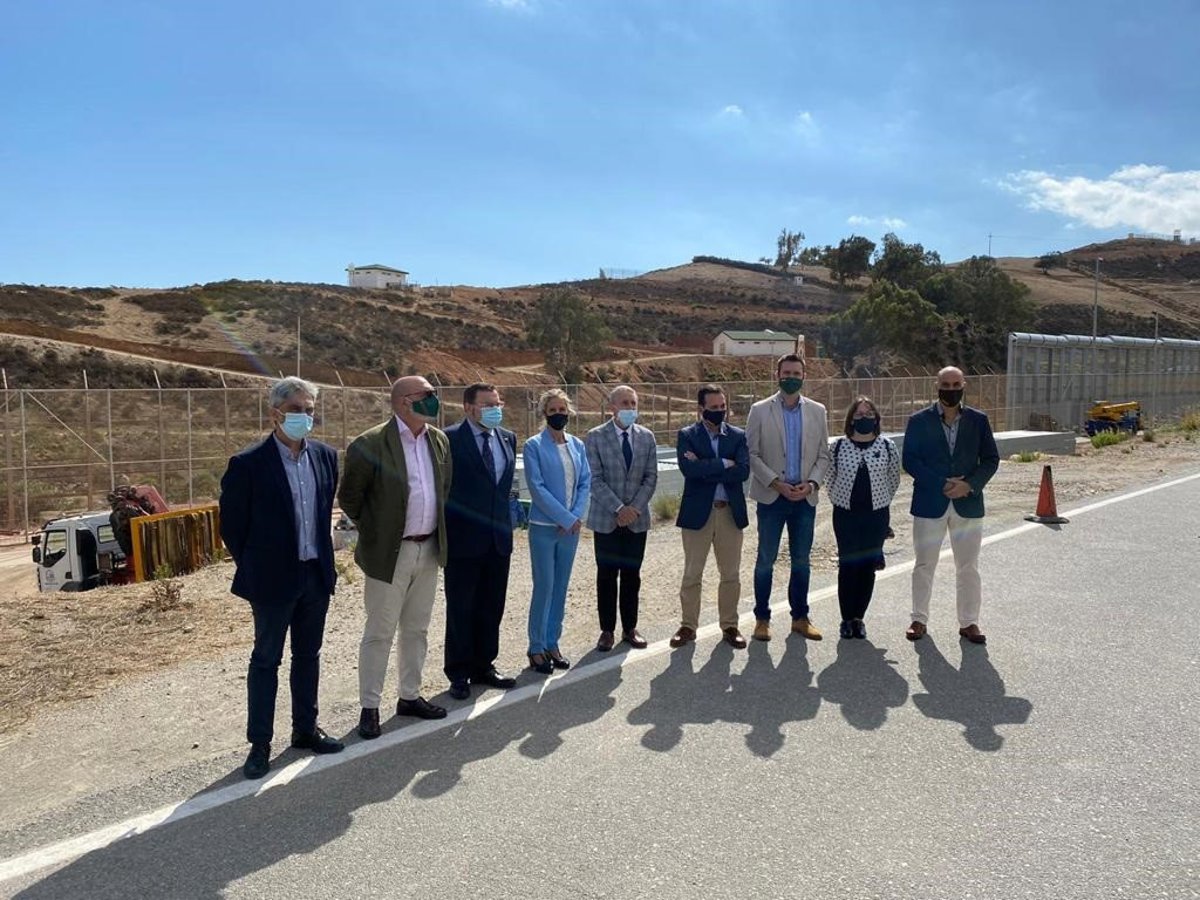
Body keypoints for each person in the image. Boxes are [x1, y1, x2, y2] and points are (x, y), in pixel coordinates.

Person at [219, 376, 343, 780]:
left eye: (309, 410)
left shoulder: (325, 457)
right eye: (295, 410)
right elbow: (233, 527)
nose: (304, 417)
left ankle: (305, 729)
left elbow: (323, 513)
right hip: (272, 580)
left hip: (314, 575)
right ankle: (260, 744)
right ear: (275, 414)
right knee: (266, 660)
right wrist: (259, 565)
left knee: (308, 656)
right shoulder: (248, 464)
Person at [338, 376, 452, 740]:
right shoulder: (370, 444)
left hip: (428, 548)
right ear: (404, 401)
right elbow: (350, 499)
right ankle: (370, 707)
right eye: (427, 395)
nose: (434, 400)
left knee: (417, 629)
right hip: (390, 553)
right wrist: (379, 531)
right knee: (380, 632)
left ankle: (410, 696)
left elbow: (444, 488)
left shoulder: (438, 440)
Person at [902, 366, 1000, 644]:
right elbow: (910, 460)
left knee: (968, 566)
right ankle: (919, 619)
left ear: (964, 386)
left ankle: (969, 622)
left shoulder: (978, 421)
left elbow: (991, 459)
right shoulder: (919, 421)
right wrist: (941, 483)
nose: (951, 389)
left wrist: (969, 485)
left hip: (968, 503)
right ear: (937, 386)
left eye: (956, 384)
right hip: (930, 502)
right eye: (945, 384)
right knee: (924, 564)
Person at [745, 353, 831, 642]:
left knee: (801, 560)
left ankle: (800, 618)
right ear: (778, 375)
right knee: (765, 560)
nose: (791, 377)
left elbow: (823, 455)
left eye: (796, 373)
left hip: (804, 498)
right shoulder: (759, 410)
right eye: (786, 373)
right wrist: (775, 483)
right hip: (772, 497)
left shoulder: (817, 411)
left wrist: (812, 484)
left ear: (803, 376)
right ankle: (762, 619)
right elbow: (752, 454)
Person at [442, 383, 519, 700]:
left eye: (497, 404)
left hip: (498, 539)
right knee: (461, 608)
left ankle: (484, 665)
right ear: (468, 407)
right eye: (487, 405)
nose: (494, 410)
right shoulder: (448, 439)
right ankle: (459, 672)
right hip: (463, 540)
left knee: (491, 606)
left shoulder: (507, 438)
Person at [671, 384, 751, 650]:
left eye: (722, 406)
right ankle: (688, 626)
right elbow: (689, 470)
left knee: (730, 574)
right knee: (692, 573)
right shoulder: (688, 435)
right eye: (714, 407)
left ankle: (729, 626)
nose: (720, 411)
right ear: (701, 409)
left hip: (729, 513)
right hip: (698, 514)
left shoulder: (737, 436)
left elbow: (743, 472)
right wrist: (723, 463)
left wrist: (705, 466)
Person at [523, 389, 592, 674]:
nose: (558, 414)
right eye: (553, 410)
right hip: (544, 528)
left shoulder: (577, 445)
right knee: (545, 586)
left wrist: (574, 516)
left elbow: (585, 482)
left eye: (562, 410)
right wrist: (563, 517)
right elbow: (536, 487)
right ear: (544, 413)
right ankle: (536, 647)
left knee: (561, 587)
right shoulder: (533, 446)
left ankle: (552, 642)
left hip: (570, 530)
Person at [585, 384, 658, 651]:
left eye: (633, 403)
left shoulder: (647, 437)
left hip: (636, 520)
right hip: (607, 519)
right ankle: (607, 630)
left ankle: (630, 628)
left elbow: (651, 477)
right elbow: (594, 478)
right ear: (612, 407)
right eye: (624, 403)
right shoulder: (595, 437)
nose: (629, 408)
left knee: (631, 575)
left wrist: (633, 509)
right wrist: (619, 509)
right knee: (606, 576)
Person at [826, 396, 901, 640]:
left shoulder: (887, 446)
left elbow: (893, 478)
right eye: (858, 414)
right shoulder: (838, 446)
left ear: (876, 419)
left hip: (876, 515)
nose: (864, 418)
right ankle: (846, 618)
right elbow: (829, 476)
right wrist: (838, 498)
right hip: (845, 514)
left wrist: (881, 501)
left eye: (869, 414)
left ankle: (859, 618)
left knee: (868, 567)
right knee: (848, 565)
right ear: (851, 419)